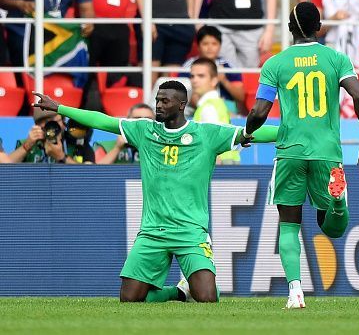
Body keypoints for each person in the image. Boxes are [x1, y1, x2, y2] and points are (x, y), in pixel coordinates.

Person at [32, 81, 277, 303]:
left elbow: (253, 133)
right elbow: (102, 120)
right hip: (152, 232)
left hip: (190, 232)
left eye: (164, 101)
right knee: (129, 299)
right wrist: (60, 108)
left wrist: (294, 131)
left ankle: (187, 289)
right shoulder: (144, 130)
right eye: (157, 100)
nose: (158, 105)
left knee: (208, 298)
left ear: (181, 105)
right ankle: (179, 292)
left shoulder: (206, 134)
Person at [244, 1, 359, 309]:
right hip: (327, 152)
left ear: (290, 29)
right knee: (333, 228)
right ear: (319, 28)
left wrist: (249, 130)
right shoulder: (335, 58)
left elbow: (260, 111)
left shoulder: (275, 64)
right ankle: (336, 203)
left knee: (289, 224)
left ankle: (295, 292)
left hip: (290, 152)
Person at [182, 26, 245, 115]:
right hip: (196, 108)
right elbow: (183, 94)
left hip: (226, 107)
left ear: (220, 46)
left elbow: (240, 97)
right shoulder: (188, 66)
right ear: (198, 46)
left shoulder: (228, 66)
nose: (210, 48)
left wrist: (224, 80)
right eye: (205, 44)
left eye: (214, 44)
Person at [190, 58, 240, 164]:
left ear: (214, 80)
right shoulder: (215, 104)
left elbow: (213, 146)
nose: (194, 80)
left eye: (201, 76)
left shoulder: (209, 108)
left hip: (220, 169)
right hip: (228, 167)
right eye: (192, 76)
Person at [15, 107, 94, 163]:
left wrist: (62, 157)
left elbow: (90, 177)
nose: (51, 127)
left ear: (63, 122)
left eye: (54, 121)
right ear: (37, 126)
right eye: (45, 122)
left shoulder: (79, 144)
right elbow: (4, 170)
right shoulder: (27, 144)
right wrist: (26, 146)